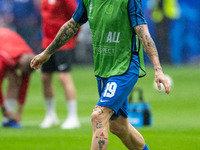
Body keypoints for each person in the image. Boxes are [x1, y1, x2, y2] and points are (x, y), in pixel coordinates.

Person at [31, 0, 171, 149]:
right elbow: (72, 25)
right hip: (104, 69)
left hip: (125, 67)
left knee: (98, 116)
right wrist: (47, 53)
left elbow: (143, 32)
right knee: (119, 127)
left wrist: (158, 70)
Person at [39, 0, 80, 129]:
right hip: (47, 43)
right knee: (45, 77)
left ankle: (73, 116)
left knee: (63, 77)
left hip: (64, 43)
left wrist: (75, 35)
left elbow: (77, 17)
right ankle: (50, 115)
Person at [0, 28, 35, 128]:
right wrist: (3, 108)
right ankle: (8, 115)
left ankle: (8, 120)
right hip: (3, 45)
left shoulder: (30, 60)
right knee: (14, 78)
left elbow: (24, 85)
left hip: (6, 41)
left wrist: (19, 112)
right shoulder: (6, 57)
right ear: (20, 64)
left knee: (14, 79)